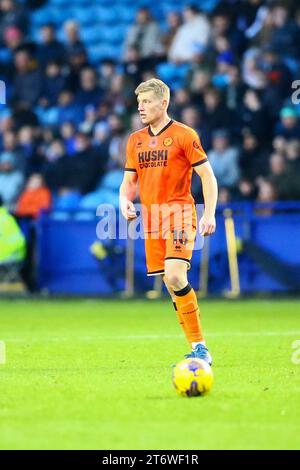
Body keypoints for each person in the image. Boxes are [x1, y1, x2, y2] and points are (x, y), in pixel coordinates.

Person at [119, 78, 218, 365]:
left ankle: (201, 347)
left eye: (147, 101)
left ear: (164, 103)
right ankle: (197, 346)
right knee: (170, 283)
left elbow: (207, 176)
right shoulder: (134, 140)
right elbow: (128, 181)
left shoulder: (185, 135)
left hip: (179, 213)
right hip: (151, 218)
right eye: (139, 102)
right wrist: (124, 200)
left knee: (175, 276)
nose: (141, 107)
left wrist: (209, 213)